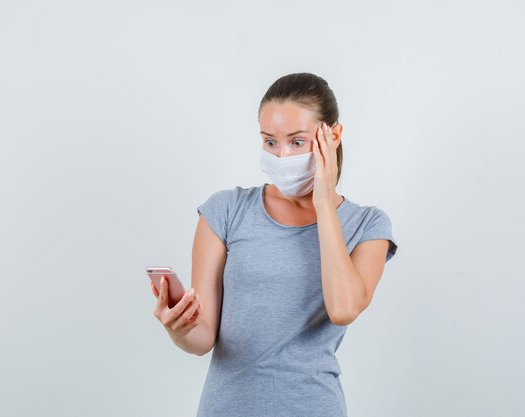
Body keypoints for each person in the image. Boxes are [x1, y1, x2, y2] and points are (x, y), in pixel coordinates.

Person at [150, 72, 398, 417]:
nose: (282, 156)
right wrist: (179, 329)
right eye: (270, 142)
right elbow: (202, 339)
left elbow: (343, 308)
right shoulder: (225, 210)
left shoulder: (368, 225)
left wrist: (324, 204)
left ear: (333, 135)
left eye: (297, 142)